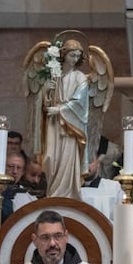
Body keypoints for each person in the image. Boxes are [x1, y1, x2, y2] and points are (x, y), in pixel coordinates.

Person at [38, 39, 90, 200]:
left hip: (70, 126)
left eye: (77, 56)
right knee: (51, 159)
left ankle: (67, 195)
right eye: (72, 55)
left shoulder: (79, 77)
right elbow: (43, 103)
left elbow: (80, 103)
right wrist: (47, 92)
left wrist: (59, 109)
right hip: (53, 124)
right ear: (64, 54)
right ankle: (53, 193)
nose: (74, 59)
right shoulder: (54, 74)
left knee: (67, 160)